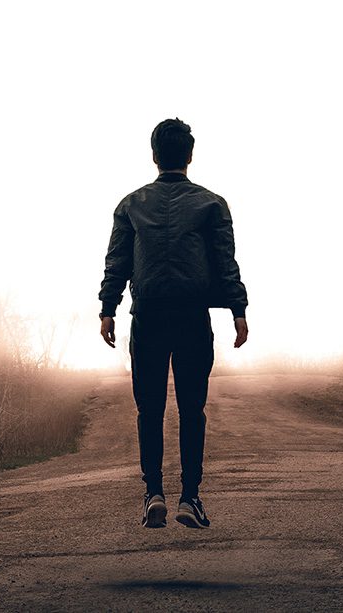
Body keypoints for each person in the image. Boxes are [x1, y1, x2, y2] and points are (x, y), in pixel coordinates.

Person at [98, 118, 249, 529]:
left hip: (147, 315)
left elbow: (118, 261)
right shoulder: (211, 204)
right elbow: (224, 260)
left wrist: (108, 307)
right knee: (191, 409)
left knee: (149, 409)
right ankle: (190, 497)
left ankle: (153, 493)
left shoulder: (131, 204)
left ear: (154, 155)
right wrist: (238, 310)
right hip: (190, 315)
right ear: (190, 155)